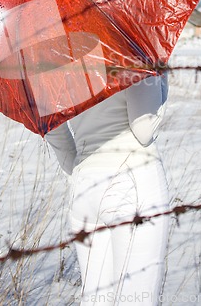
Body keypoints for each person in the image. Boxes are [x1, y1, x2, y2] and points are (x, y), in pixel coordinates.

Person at [45, 73, 169, 306]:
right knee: (136, 299)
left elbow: (52, 126)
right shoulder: (130, 46)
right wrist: (160, 71)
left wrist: (77, 166)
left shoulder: (55, 55)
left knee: (94, 299)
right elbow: (143, 129)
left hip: (84, 188)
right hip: (132, 179)